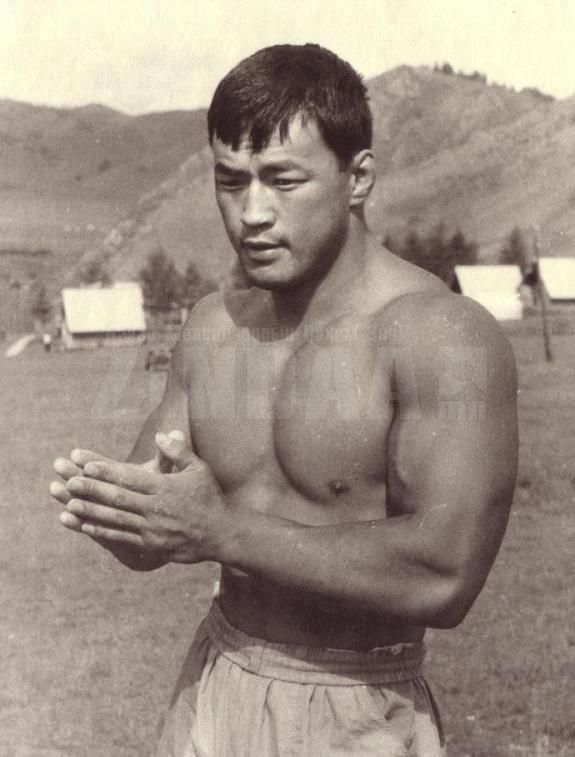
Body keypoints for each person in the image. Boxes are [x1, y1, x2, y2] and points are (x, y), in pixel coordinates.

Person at [50, 44, 518, 756]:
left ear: (358, 178)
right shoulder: (214, 325)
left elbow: (445, 574)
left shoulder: (440, 334)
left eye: (282, 180)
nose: (252, 214)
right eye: (230, 182)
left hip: (356, 707)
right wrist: (120, 508)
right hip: (213, 682)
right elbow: (157, 527)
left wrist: (219, 530)